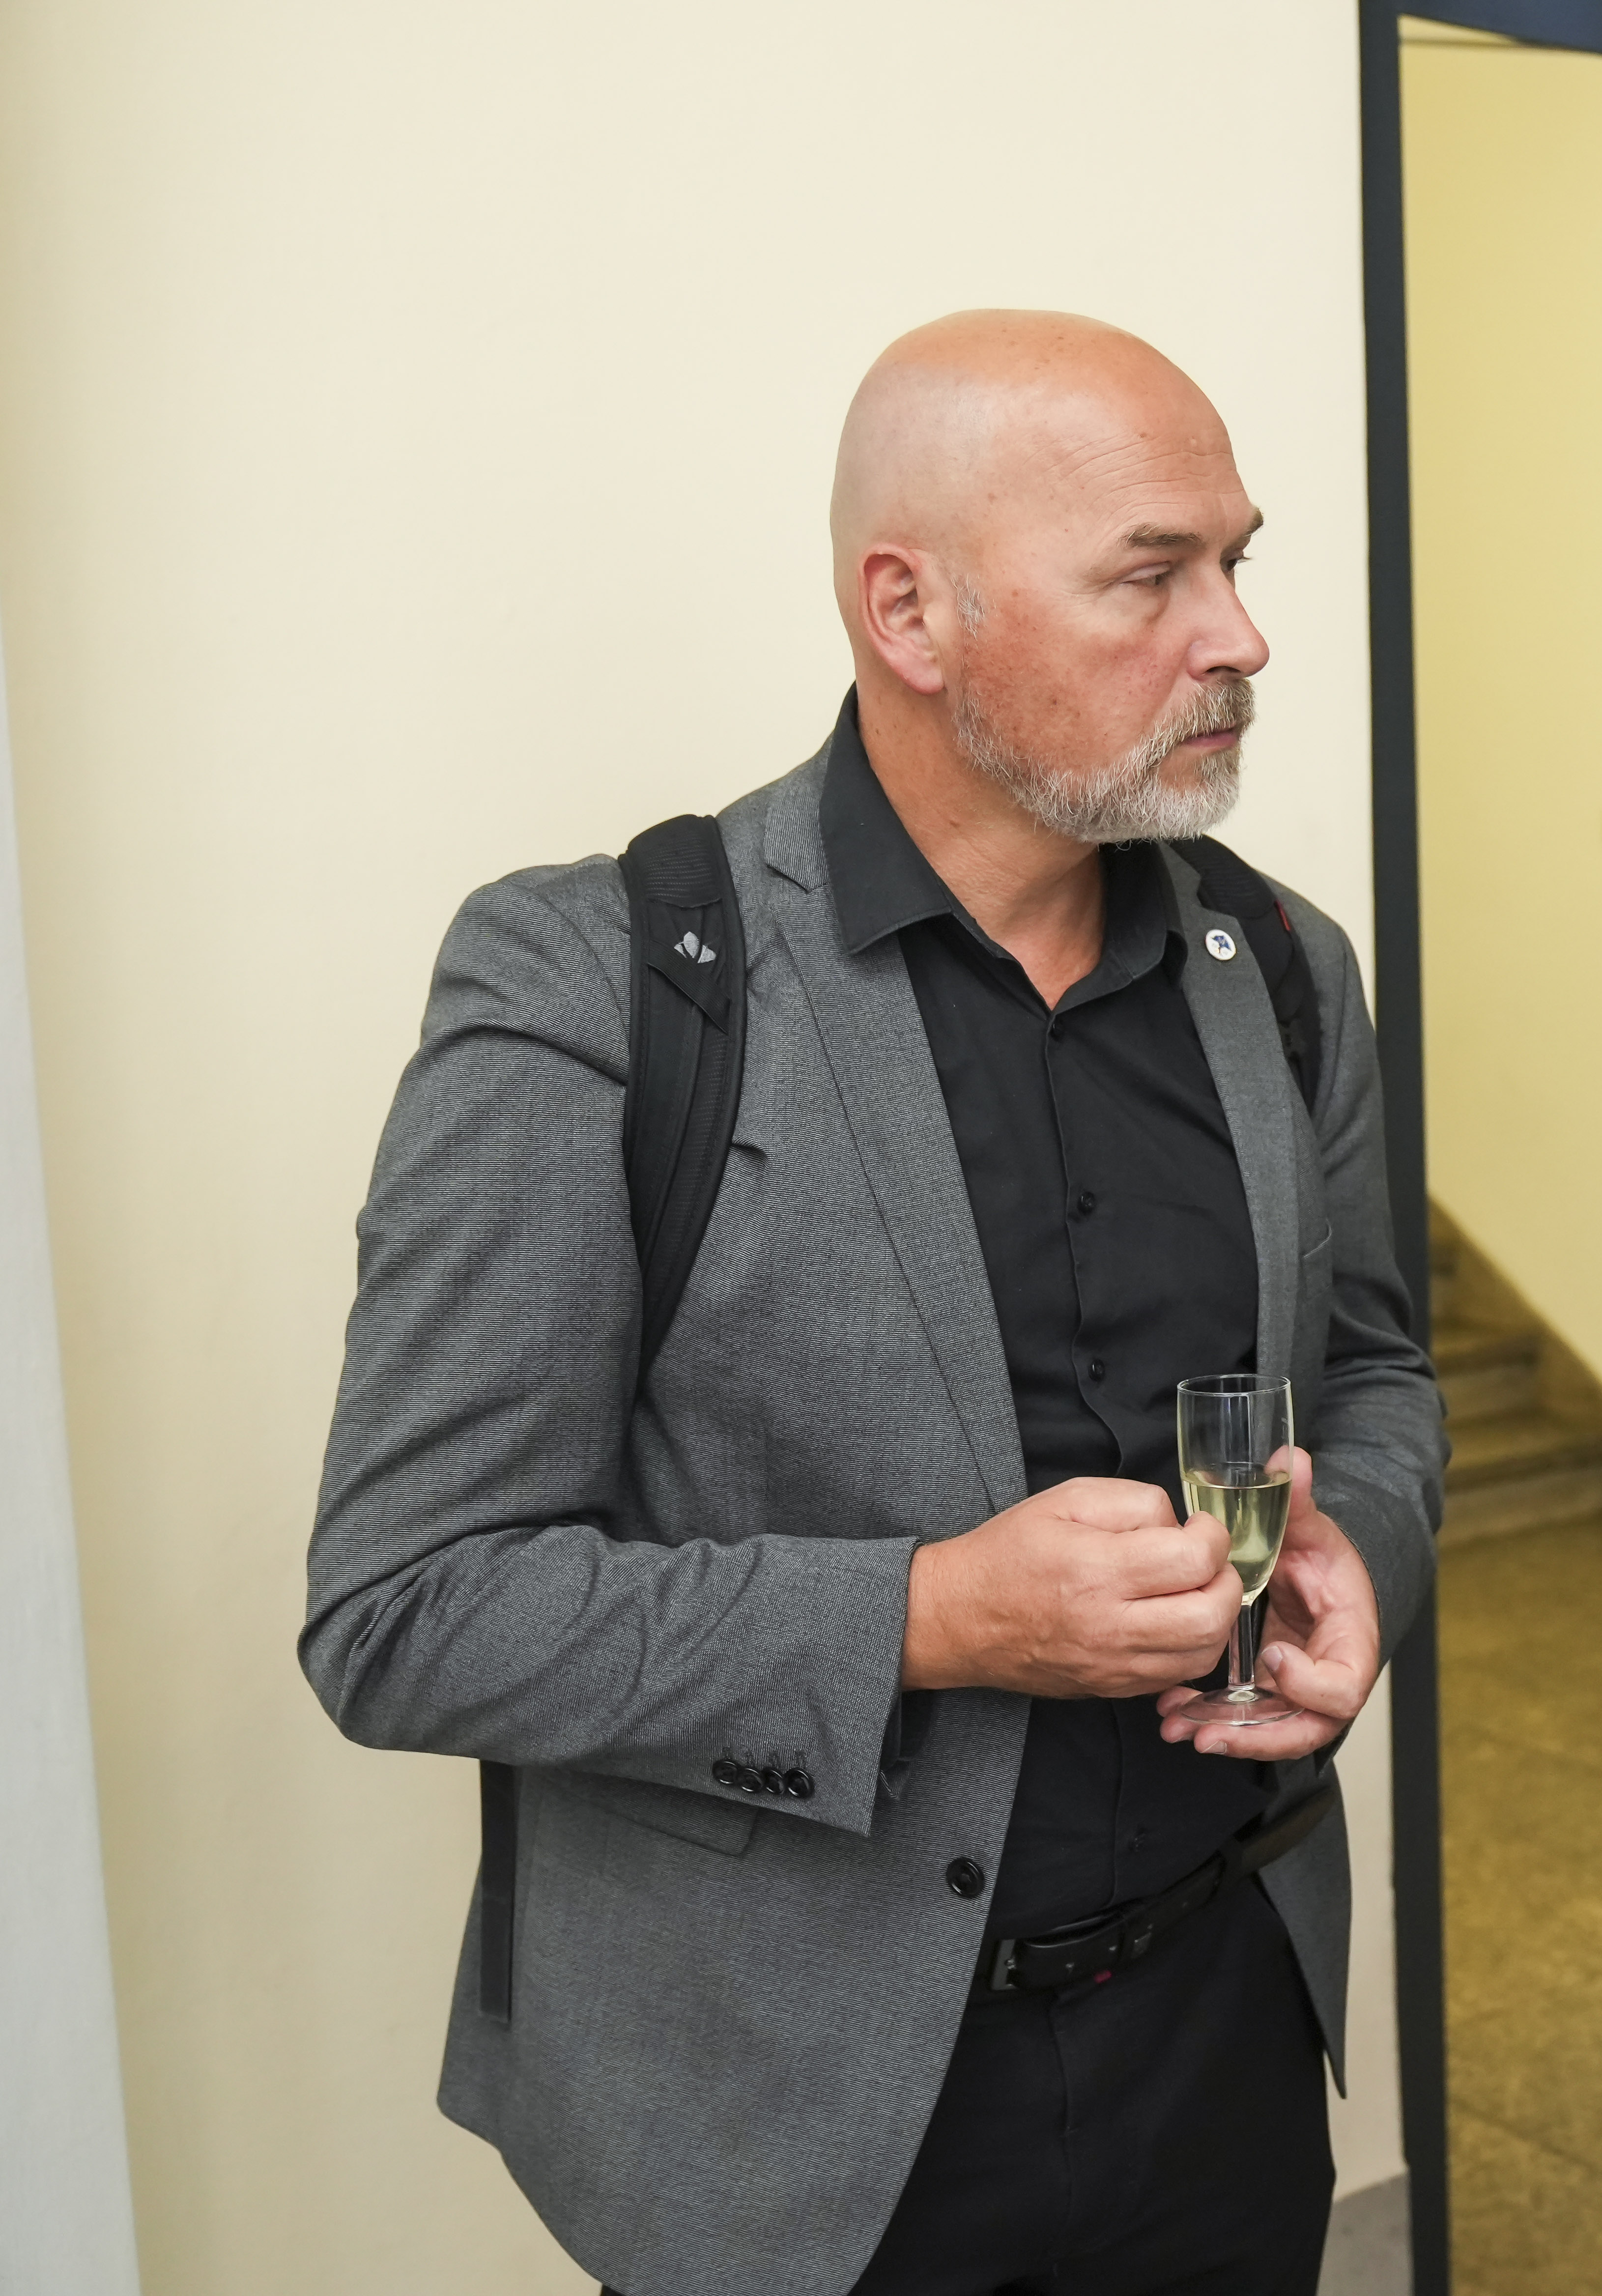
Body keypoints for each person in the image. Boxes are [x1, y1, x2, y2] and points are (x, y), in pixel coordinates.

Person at [302, 311, 1441, 2296]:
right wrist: (931, 1617)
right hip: (787, 2125)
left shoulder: (1283, 967)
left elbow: (1375, 1374)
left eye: (1238, 562)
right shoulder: (602, 981)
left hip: (1225, 2052)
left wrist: (1366, 1552)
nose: (1243, 636)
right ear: (909, 611)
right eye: (1153, 576)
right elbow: (408, 1609)